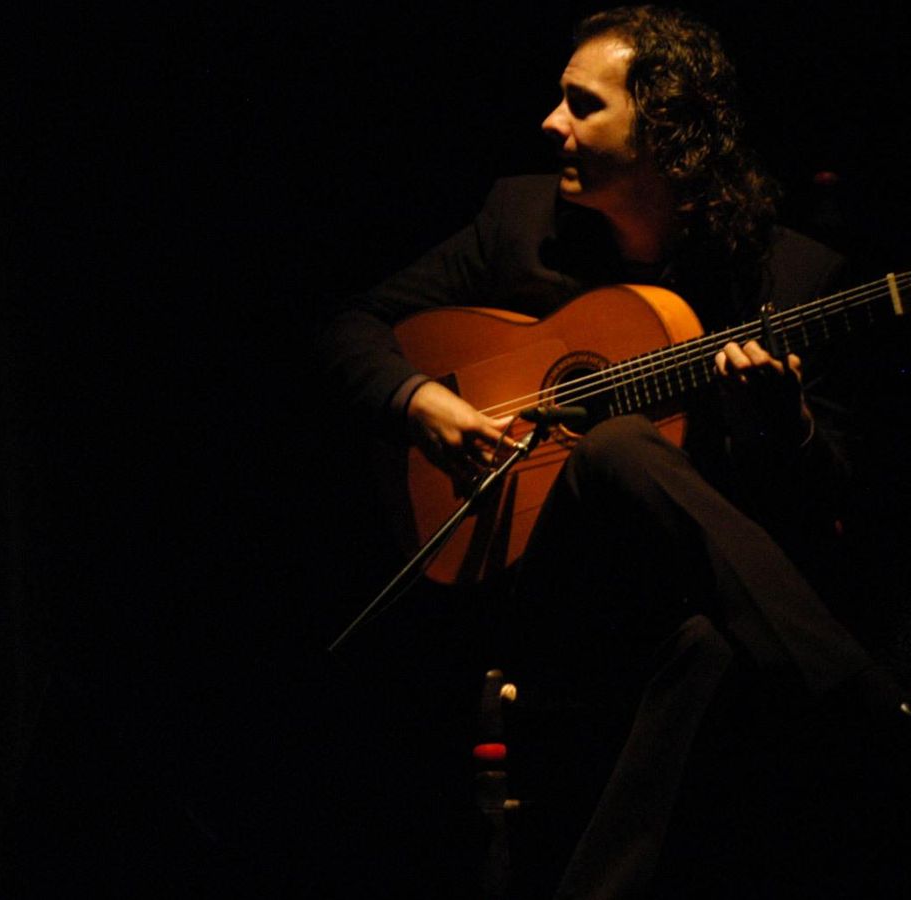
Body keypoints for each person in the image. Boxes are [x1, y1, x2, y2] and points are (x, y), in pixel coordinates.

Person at [321, 6, 908, 896]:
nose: (551, 123)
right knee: (617, 446)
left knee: (709, 648)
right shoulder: (518, 221)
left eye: (580, 104)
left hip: (675, 602)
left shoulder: (791, 281)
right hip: (537, 590)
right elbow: (349, 328)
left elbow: (840, 504)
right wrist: (420, 400)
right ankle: (875, 712)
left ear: (666, 139)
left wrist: (782, 427)